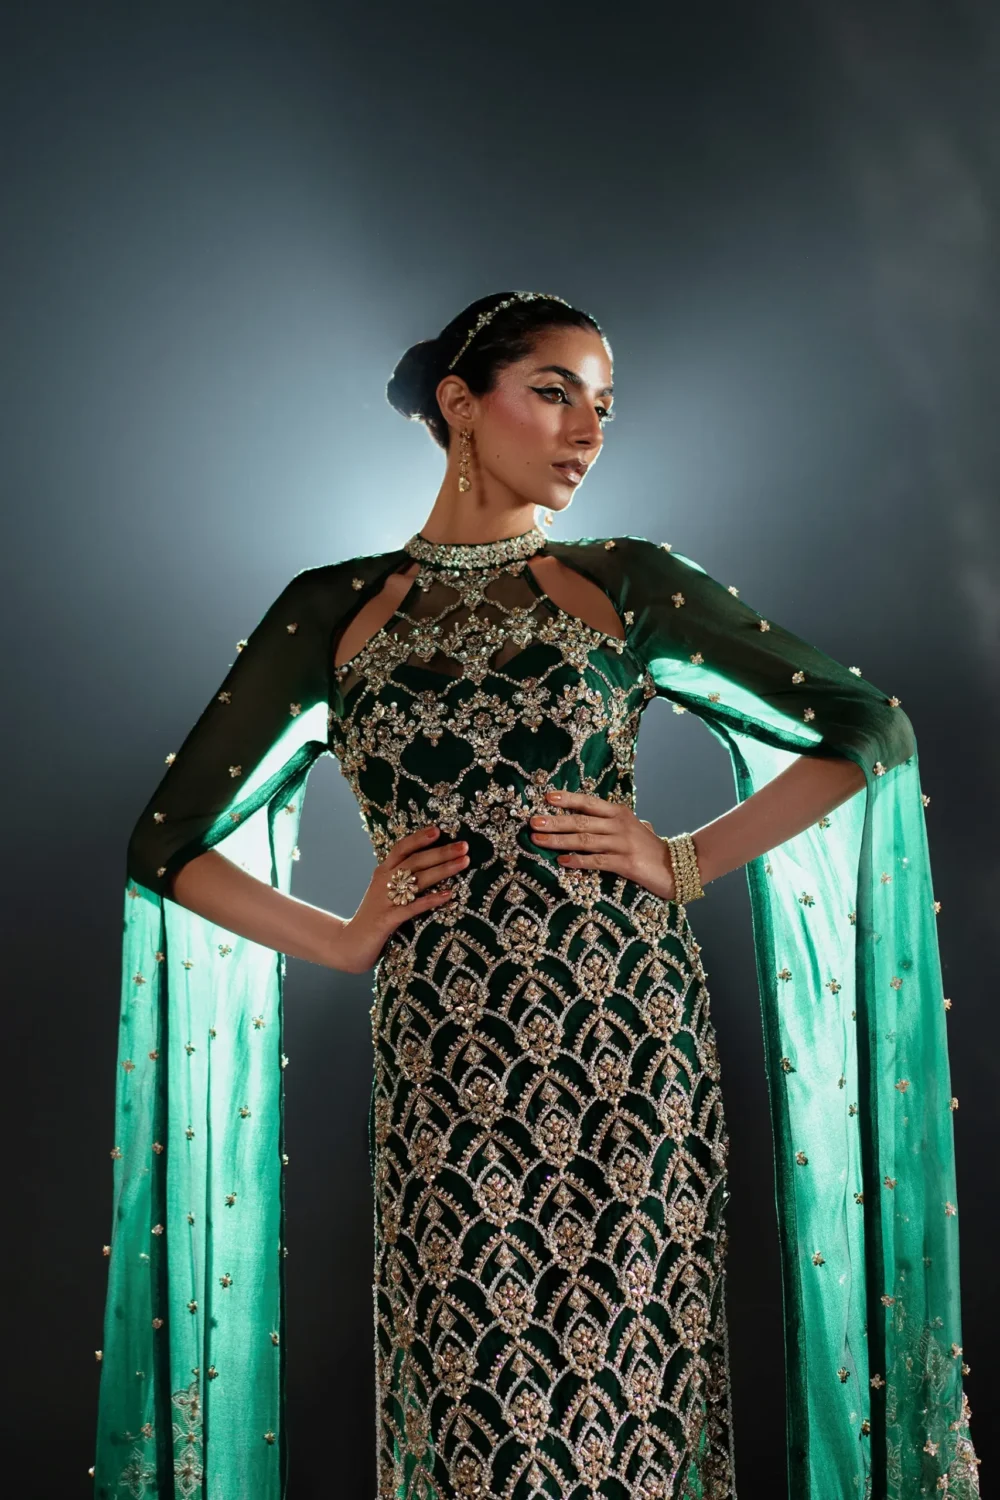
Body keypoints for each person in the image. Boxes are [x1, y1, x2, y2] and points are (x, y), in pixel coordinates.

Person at [93, 291, 980, 1499]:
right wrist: (345, 941)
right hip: (445, 1060)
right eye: (554, 390)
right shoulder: (332, 610)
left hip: (631, 1052)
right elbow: (167, 843)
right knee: (476, 1415)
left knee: (637, 1405)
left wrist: (687, 858)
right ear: (461, 402)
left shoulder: (623, 580)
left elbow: (866, 725)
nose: (586, 431)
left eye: (603, 406)